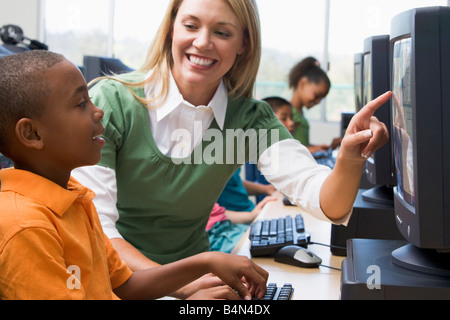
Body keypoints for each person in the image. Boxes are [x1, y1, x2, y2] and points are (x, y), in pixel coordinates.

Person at [73, 0, 391, 294]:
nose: (202, 42)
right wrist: (184, 287)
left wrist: (350, 156)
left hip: (200, 285)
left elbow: (327, 203)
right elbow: (96, 229)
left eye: (222, 32)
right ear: (172, 28)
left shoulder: (250, 119)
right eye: (191, 26)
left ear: (243, 44)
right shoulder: (112, 103)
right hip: (118, 283)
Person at [0, 50, 268, 300]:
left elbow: (124, 285)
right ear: (32, 134)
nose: (98, 111)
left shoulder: (75, 197)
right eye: (81, 103)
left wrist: (205, 262)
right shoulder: (26, 227)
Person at [288, 56, 342, 154]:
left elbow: (300, 145)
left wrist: (327, 147)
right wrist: (311, 149)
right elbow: (285, 149)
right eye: (317, 95)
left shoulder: (299, 113)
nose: (317, 102)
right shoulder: (288, 114)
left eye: (321, 98)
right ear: (303, 83)